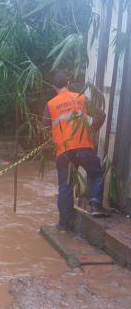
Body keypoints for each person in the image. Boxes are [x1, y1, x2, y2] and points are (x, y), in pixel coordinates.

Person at [42, 70, 107, 232]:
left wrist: (53, 139)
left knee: (65, 186)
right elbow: (101, 114)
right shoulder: (82, 98)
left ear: (53, 87)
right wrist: (91, 130)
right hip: (84, 147)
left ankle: (64, 225)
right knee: (97, 173)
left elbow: (44, 128)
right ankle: (95, 205)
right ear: (68, 83)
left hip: (64, 152)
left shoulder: (50, 104)